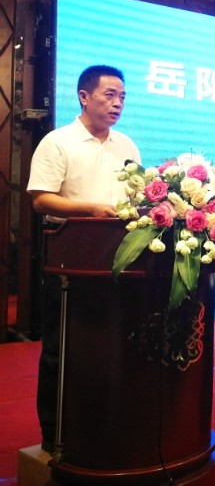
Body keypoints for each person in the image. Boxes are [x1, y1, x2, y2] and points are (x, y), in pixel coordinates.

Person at [27, 65, 141, 454]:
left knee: (114, 346)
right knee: (63, 350)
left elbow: (135, 196)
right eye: (110, 95)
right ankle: (55, 433)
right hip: (70, 260)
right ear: (84, 97)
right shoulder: (58, 142)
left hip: (121, 259)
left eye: (122, 96)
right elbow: (41, 199)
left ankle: (109, 425)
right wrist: (89, 209)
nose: (118, 103)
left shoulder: (126, 146)